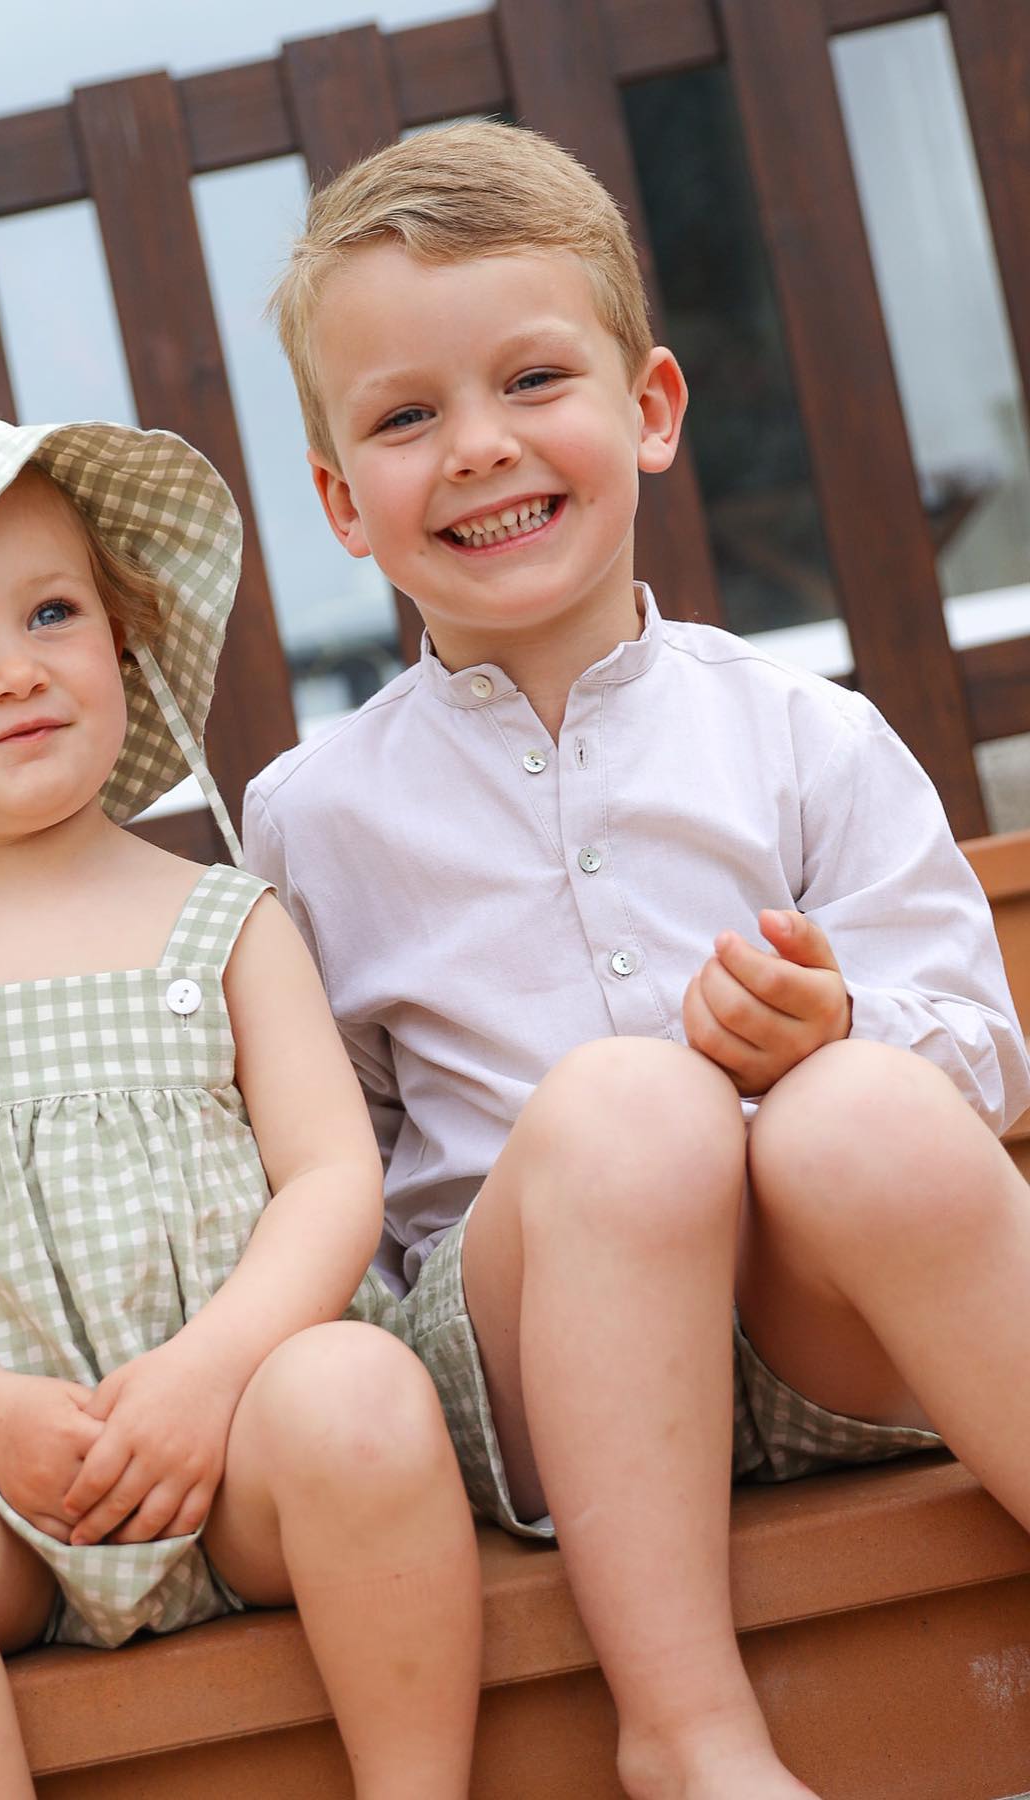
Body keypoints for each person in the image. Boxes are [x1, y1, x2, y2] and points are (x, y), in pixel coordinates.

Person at [243, 120, 1030, 1800]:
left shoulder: (803, 732)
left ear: (652, 410)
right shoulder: (309, 820)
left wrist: (838, 1031)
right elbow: (329, 1162)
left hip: (823, 1337)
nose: (476, 450)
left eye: (534, 380)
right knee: (621, 1113)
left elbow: (979, 1043)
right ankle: (689, 1739)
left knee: (860, 1113)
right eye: (403, 418)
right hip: (535, 1382)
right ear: (339, 504)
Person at [0, 404, 481, 1800]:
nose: (14, 669)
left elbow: (328, 1181)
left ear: (122, 644)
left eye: (52, 612)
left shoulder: (226, 921)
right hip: (7, 1491)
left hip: (241, 1448)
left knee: (361, 1390)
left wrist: (209, 1378)